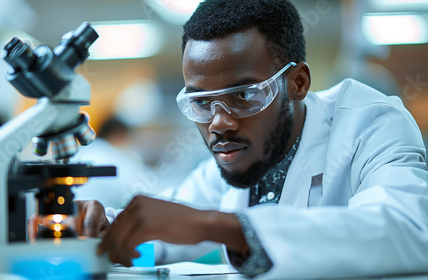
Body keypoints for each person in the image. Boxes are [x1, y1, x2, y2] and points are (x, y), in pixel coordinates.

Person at [73, 0, 428, 279]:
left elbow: (411, 230)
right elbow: (161, 234)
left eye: (243, 96)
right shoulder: (235, 157)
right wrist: (105, 227)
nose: (219, 123)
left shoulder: (370, 122)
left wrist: (226, 227)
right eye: (200, 103)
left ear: (298, 83)